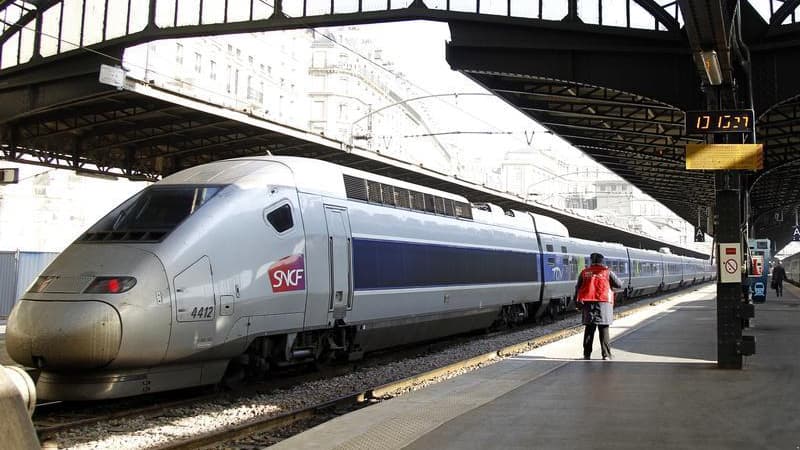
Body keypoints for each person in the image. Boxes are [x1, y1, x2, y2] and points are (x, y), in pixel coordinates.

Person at [574, 253, 623, 360]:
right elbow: (619, 284)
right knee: (604, 328)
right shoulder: (607, 272)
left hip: (588, 303)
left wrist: (577, 303)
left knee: (589, 329)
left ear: (591, 261)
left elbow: (577, 288)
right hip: (604, 303)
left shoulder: (585, 272)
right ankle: (606, 354)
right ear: (602, 261)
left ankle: (586, 354)